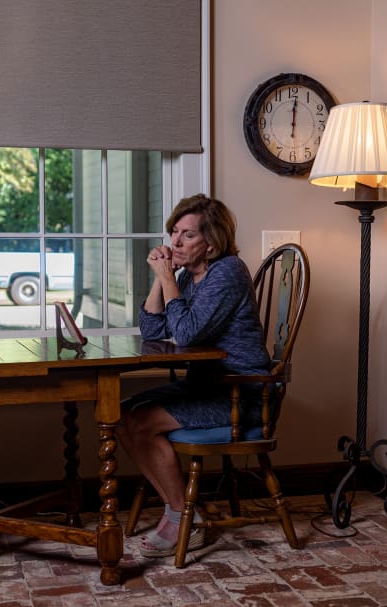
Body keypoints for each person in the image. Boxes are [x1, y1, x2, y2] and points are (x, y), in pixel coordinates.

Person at [116, 194, 271, 558]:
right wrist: (161, 279)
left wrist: (169, 277)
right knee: (120, 415)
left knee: (141, 423)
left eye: (187, 235)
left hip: (241, 394)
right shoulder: (189, 276)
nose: (175, 242)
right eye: (174, 233)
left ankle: (184, 517)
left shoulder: (227, 272)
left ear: (212, 243)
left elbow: (185, 333)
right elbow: (152, 331)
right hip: (206, 387)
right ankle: (181, 511)